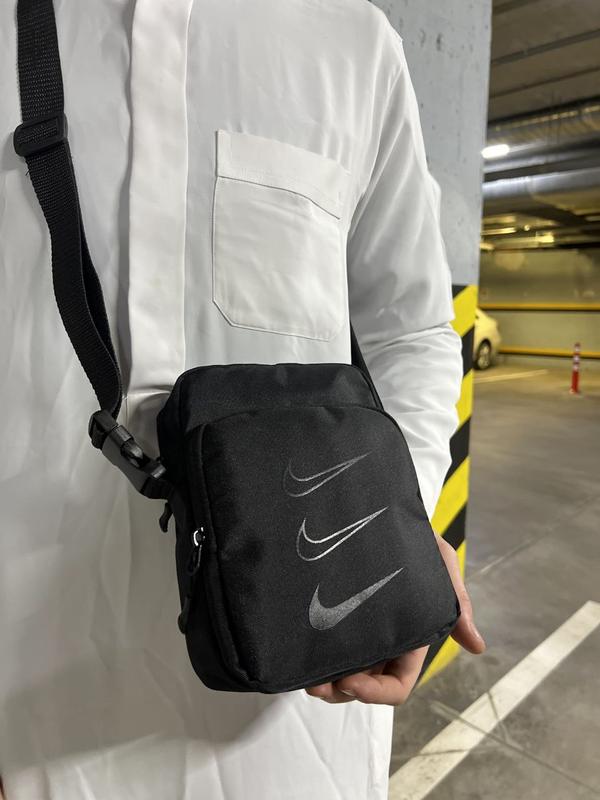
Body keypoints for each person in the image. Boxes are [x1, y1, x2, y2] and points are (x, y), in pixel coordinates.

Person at [0, 0, 485, 798]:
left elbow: (414, 332)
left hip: (297, 715)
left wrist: (397, 526)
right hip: (33, 694)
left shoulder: (353, 42)